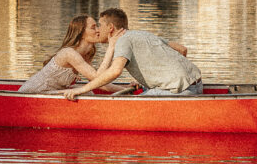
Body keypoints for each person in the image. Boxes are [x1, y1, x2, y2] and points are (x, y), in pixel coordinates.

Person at [63, 8, 202, 100]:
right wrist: (151, 78)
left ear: (110, 28)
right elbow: (182, 49)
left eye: (100, 25)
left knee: (134, 103)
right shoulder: (141, 34)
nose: (99, 30)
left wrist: (81, 90)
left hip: (181, 92)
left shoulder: (123, 40)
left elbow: (115, 71)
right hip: (197, 85)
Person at [18, 15, 122, 93]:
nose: (98, 30)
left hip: (51, 93)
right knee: (84, 92)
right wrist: (111, 47)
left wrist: (127, 89)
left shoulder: (86, 54)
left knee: (86, 91)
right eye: (93, 27)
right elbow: (97, 78)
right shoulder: (69, 53)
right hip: (33, 93)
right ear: (81, 33)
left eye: (97, 27)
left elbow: (99, 83)